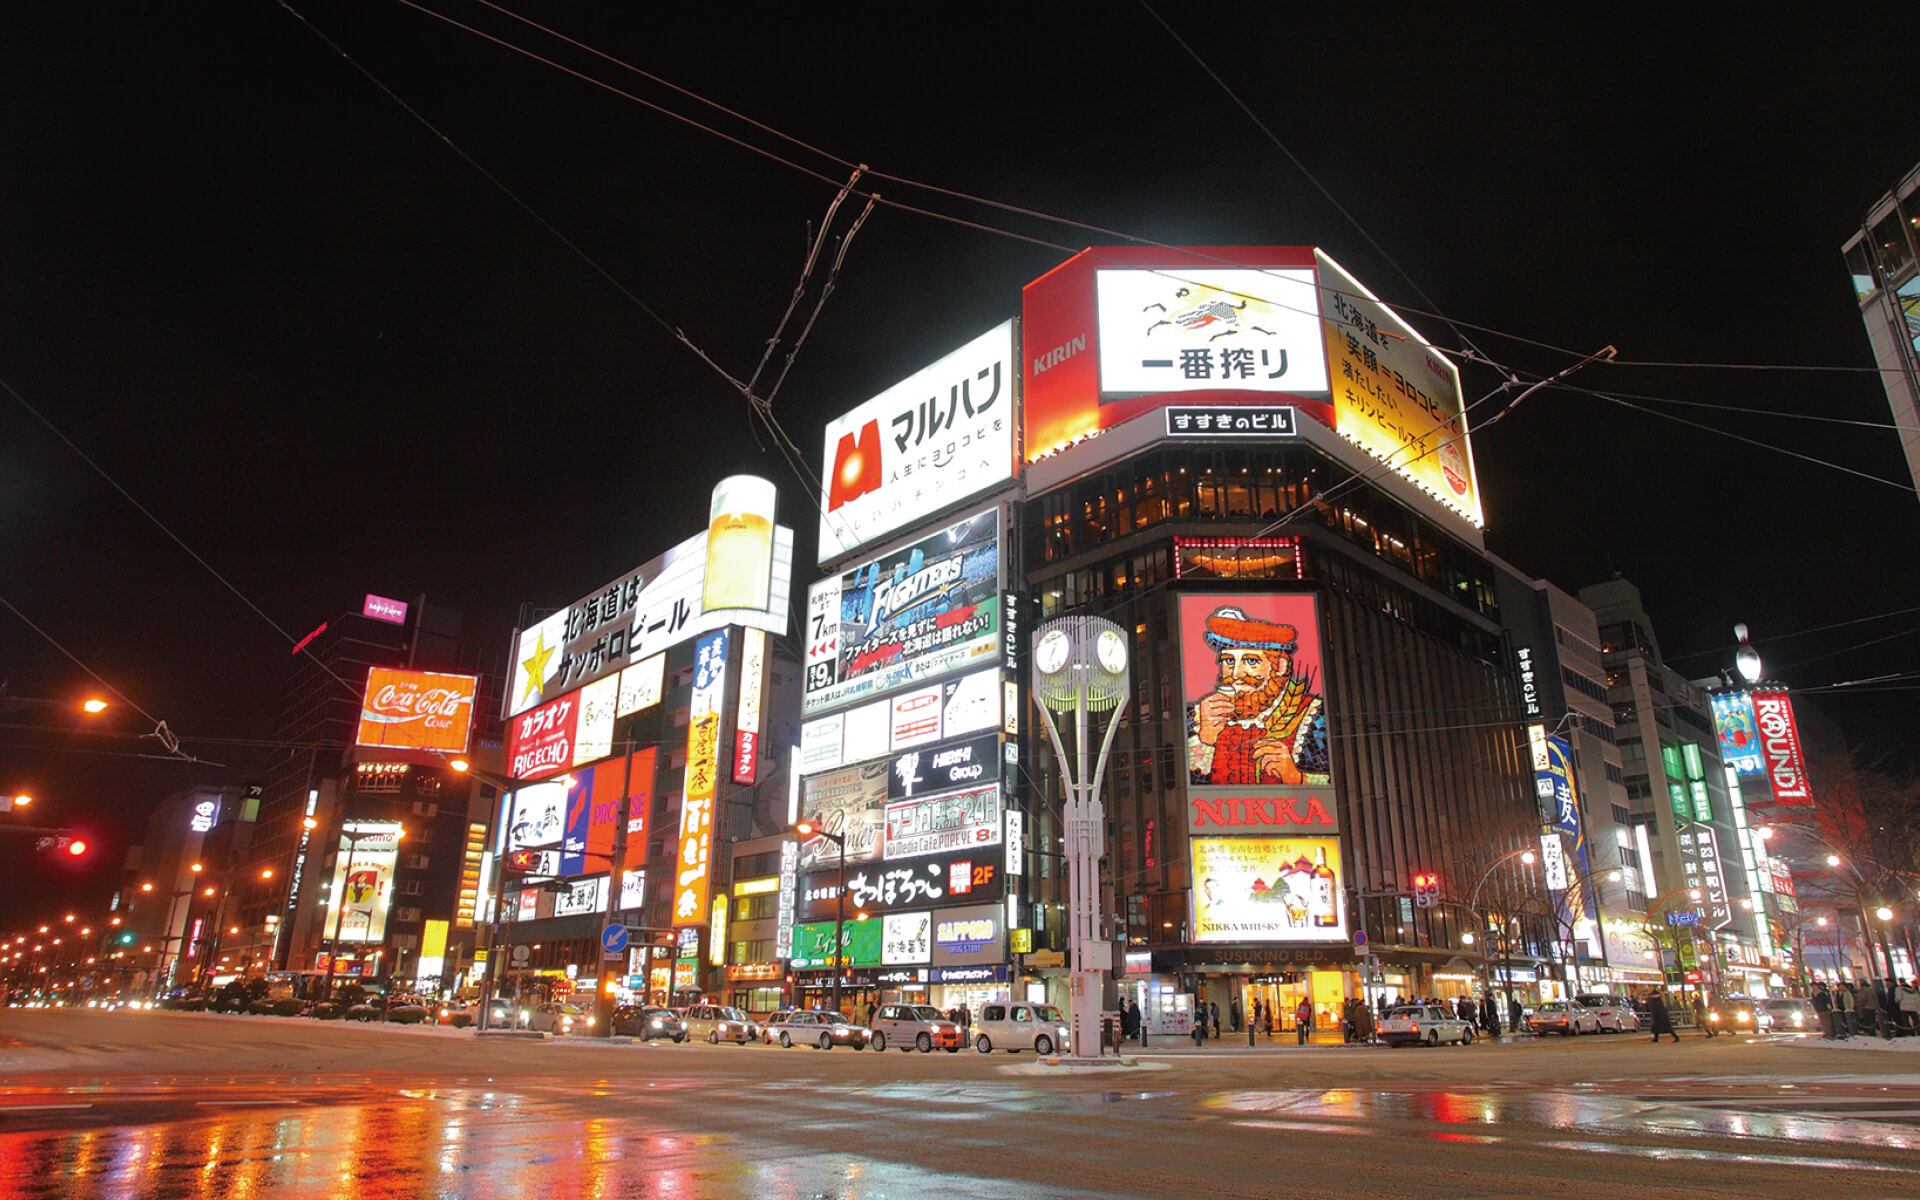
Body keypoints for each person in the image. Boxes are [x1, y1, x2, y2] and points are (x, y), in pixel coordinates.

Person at [1185, 605, 1330, 786]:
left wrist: (1298, 778)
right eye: (1228, 661)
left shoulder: (1315, 718)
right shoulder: (1194, 717)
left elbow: (1344, 781)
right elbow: (1178, 785)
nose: (1236, 673)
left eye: (1251, 661)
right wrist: (1204, 741)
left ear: (1280, 667)